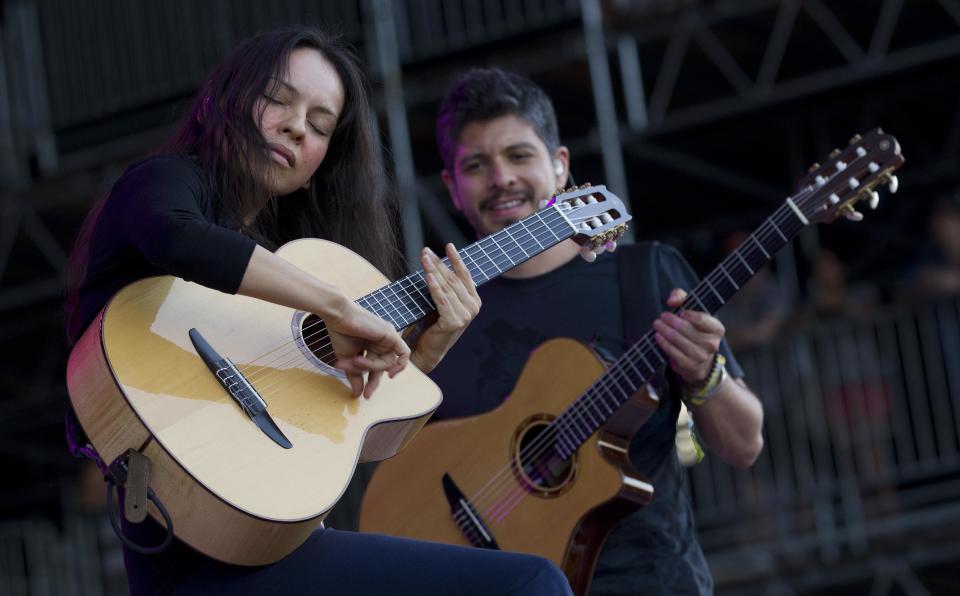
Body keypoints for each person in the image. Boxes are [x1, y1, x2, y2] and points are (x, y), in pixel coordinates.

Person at [64, 28, 572, 596]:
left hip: (266, 547)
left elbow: (342, 440)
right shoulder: (163, 184)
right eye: (278, 99)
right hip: (196, 567)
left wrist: (425, 348)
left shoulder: (284, 280)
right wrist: (340, 308)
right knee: (532, 583)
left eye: (321, 125)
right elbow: (175, 236)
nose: (296, 125)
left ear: (322, 161)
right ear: (221, 100)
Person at [428, 67, 765, 595]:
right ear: (452, 187)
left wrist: (706, 375)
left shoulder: (644, 275)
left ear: (560, 167)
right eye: (476, 165)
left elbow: (744, 445)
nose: (501, 179)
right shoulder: (440, 319)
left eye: (519, 156)